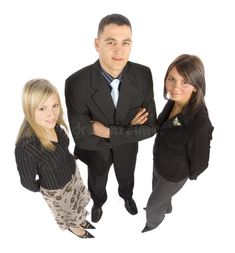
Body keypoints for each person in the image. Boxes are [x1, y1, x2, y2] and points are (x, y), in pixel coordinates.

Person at [65, 14, 157, 223]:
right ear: (97, 44)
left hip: (127, 149)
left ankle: (127, 197)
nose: (119, 50)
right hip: (97, 153)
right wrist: (129, 128)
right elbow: (82, 137)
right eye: (111, 42)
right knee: (97, 182)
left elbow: (151, 127)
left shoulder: (143, 74)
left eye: (125, 43)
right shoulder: (76, 83)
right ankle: (98, 203)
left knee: (127, 178)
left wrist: (108, 132)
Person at [142, 54, 214, 233]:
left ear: (197, 86)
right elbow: (163, 126)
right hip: (159, 162)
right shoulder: (174, 102)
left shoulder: (200, 123)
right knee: (157, 190)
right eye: (171, 79)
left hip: (174, 176)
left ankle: (152, 225)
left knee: (152, 206)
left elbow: (201, 162)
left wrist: (188, 175)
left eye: (185, 82)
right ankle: (166, 207)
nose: (175, 88)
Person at [15, 79, 95, 239]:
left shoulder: (55, 126)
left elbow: (62, 149)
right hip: (58, 190)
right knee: (70, 212)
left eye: (55, 105)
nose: (51, 114)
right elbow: (27, 182)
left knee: (78, 202)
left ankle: (81, 219)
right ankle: (75, 227)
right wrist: (48, 188)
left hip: (73, 175)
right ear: (29, 110)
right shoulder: (26, 148)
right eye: (42, 108)